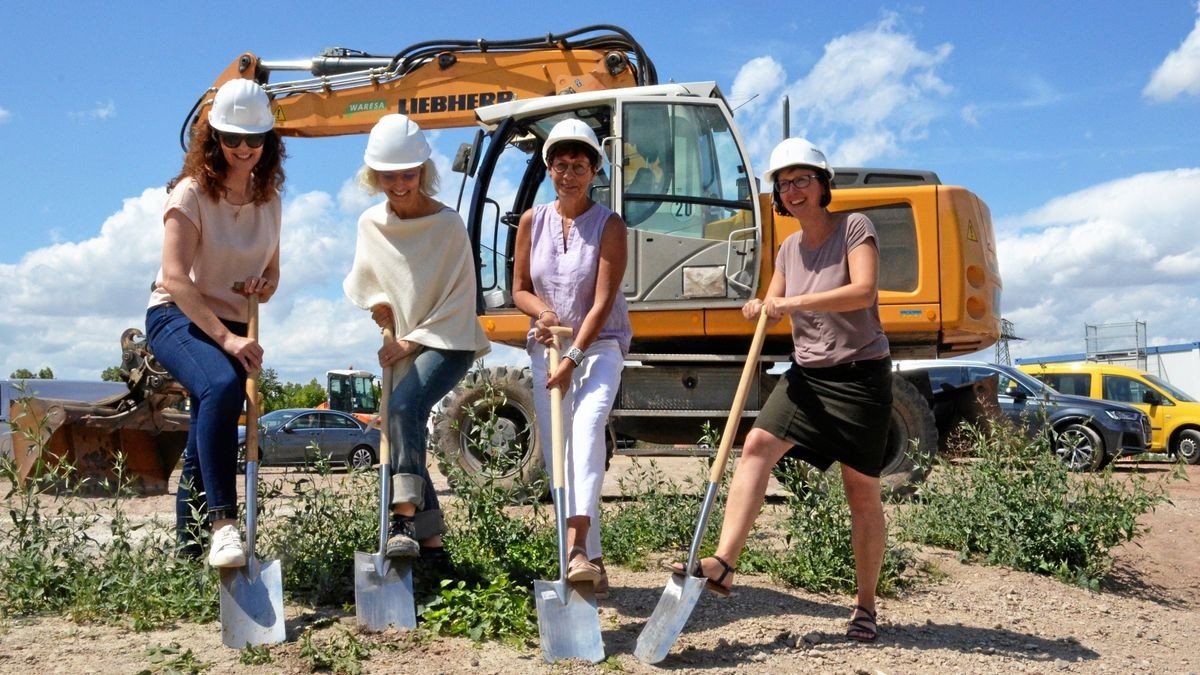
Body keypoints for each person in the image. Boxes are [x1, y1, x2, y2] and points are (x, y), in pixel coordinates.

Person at [672, 138, 893, 642]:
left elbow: (864, 292)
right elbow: (774, 298)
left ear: (822, 186)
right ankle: (725, 563)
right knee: (755, 447)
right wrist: (759, 306)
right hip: (808, 376)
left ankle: (864, 606)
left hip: (860, 376)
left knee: (861, 491)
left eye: (802, 180)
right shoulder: (789, 247)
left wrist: (790, 301)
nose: (792, 190)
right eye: (783, 183)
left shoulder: (853, 228)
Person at [145, 79, 286, 567]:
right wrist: (226, 338)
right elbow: (175, 278)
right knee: (222, 389)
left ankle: (188, 554)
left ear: (268, 142)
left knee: (209, 421)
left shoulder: (269, 200)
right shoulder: (189, 195)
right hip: (177, 318)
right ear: (213, 139)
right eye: (232, 138)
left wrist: (262, 286)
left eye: (254, 139)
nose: (243, 149)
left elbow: (272, 271)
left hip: (233, 321)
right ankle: (225, 525)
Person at [343, 114, 490, 566]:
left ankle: (402, 518)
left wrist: (411, 343)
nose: (399, 184)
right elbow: (372, 282)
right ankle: (433, 549)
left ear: (423, 172)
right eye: (389, 175)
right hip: (405, 338)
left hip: (450, 342)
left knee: (402, 409)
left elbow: (460, 298)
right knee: (403, 431)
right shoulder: (371, 224)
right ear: (374, 175)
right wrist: (379, 307)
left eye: (408, 174)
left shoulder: (448, 226)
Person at [512, 118, 632, 598]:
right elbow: (520, 288)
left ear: (595, 169)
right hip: (547, 347)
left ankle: (574, 548)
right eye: (559, 165)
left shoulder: (610, 225)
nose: (568, 174)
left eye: (578, 165)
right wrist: (542, 313)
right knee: (560, 455)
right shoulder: (531, 222)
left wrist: (575, 355)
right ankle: (592, 561)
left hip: (599, 346)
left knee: (585, 433)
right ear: (548, 169)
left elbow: (602, 303)